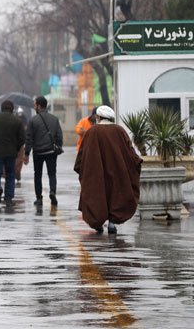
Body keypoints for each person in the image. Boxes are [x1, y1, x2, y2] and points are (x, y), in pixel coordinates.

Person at [74, 106, 142, 234]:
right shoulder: (120, 131)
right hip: (117, 171)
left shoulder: (91, 132)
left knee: (97, 196)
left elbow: (82, 154)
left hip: (95, 173)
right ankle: (112, 222)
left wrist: (81, 168)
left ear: (98, 117)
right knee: (115, 195)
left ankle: (98, 223)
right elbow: (130, 153)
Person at [23, 96, 64, 207]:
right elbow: (59, 136)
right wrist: (58, 147)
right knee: (52, 174)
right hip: (51, 152)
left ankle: (39, 198)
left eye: (35, 104)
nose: (34, 106)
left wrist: (26, 153)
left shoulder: (33, 120)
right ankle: (52, 192)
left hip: (38, 153)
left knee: (38, 175)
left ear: (39, 106)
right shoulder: (54, 119)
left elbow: (29, 138)